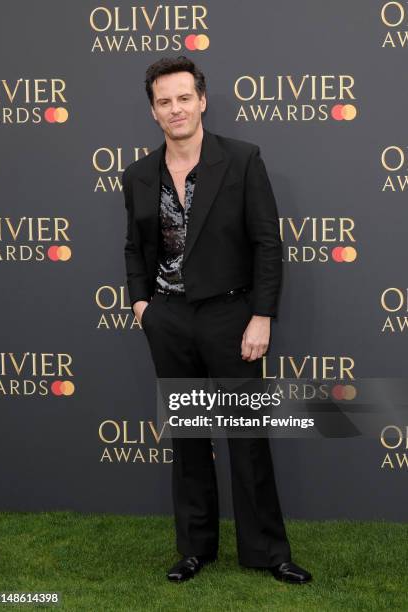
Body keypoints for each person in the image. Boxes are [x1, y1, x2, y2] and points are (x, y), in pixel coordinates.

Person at [122, 55, 312, 585]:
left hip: (231, 315)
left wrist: (261, 316)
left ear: (202, 100)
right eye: (165, 101)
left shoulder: (243, 159)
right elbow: (134, 249)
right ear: (154, 112)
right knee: (187, 436)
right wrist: (143, 306)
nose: (176, 108)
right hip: (169, 318)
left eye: (185, 97)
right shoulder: (138, 175)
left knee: (247, 436)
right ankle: (194, 549)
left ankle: (268, 551)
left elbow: (267, 245)